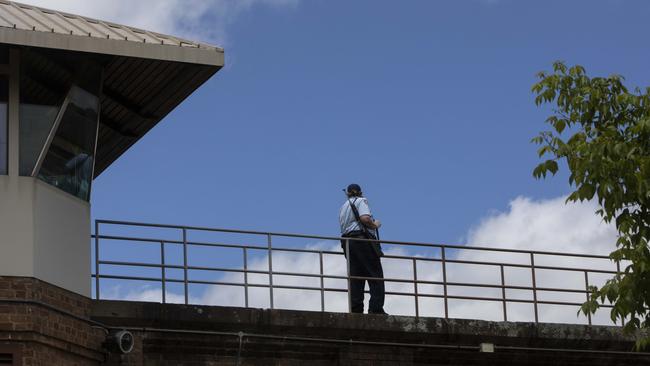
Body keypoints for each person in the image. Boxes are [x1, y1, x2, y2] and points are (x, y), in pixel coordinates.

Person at [339, 183, 387, 314]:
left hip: (348, 243)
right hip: (362, 241)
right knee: (375, 275)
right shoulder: (361, 201)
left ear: (347, 193)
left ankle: (356, 310)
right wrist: (375, 224)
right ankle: (375, 309)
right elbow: (365, 218)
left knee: (356, 277)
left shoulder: (343, 207)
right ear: (360, 192)